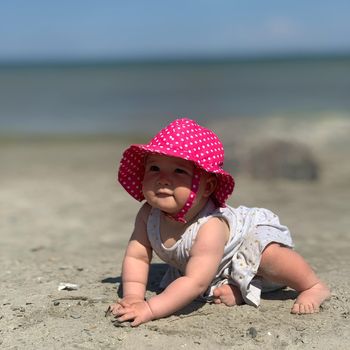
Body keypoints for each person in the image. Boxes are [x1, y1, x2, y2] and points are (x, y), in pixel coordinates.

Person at [109, 118, 330, 327]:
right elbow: (136, 256)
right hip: (212, 269)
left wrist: (150, 309)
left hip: (246, 246)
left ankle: (312, 285)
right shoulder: (148, 214)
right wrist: (133, 297)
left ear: (207, 187)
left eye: (179, 171)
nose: (163, 178)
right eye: (154, 168)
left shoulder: (210, 226)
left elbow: (195, 281)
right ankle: (238, 286)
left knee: (270, 256)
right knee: (214, 289)